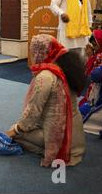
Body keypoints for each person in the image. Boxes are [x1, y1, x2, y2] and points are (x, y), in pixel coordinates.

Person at [5, 34, 86, 167]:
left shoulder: (45, 76)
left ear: (39, 53)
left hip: (61, 139)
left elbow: (33, 113)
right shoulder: (66, 68)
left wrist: (14, 130)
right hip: (76, 141)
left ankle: (49, 152)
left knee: (15, 132)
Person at [79, 29, 102, 107]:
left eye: (95, 45)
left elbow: (94, 75)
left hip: (99, 96)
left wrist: (92, 57)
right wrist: (90, 56)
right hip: (92, 93)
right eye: (93, 45)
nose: (94, 48)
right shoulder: (97, 56)